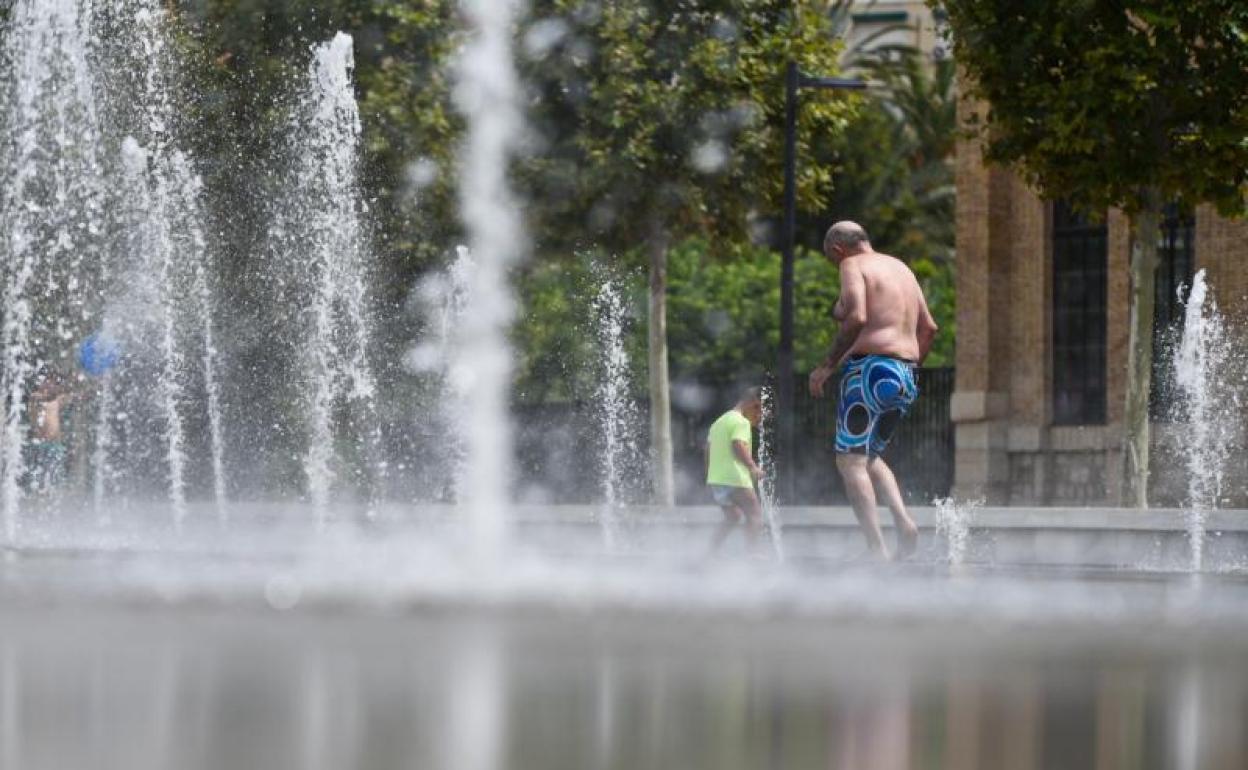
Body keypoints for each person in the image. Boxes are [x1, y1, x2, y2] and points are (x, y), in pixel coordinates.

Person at [808, 221, 938, 561]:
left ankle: (876, 552)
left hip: (869, 370)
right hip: (905, 375)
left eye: (832, 261)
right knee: (870, 456)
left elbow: (857, 317)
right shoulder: (903, 269)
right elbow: (929, 329)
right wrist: (906, 368)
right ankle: (904, 521)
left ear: (838, 250)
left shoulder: (853, 265)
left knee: (849, 462)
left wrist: (827, 365)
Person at [704, 387, 766, 554]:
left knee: (733, 517)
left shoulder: (719, 422)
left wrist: (709, 475)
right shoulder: (741, 422)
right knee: (754, 514)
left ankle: (709, 553)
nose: (759, 418)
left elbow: (708, 449)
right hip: (735, 478)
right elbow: (737, 444)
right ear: (754, 403)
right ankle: (752, 556)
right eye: (759, 412)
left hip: (717, 479)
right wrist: (753, 467)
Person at [25, 369, 74, 494]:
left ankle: (53, 496)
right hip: (39, 445)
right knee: (35, 480)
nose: (49, 385)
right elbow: (42, 398)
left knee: (55, 481)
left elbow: (73, 396)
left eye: (53, 383)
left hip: (55, 445)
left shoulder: (57, 400)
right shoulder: (35, 397)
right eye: (47, 381)